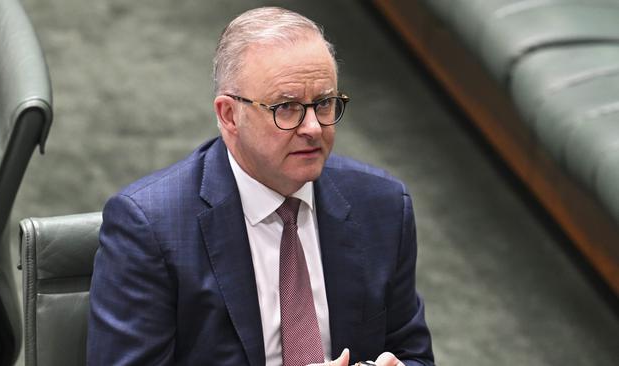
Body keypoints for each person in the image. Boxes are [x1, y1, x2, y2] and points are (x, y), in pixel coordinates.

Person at [87, 6, 433, 366]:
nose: (313, 127)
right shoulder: (151, 228)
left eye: (324, 103)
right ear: (229, 115)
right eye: (287, 107)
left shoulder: (381, 205)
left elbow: (414, 354)